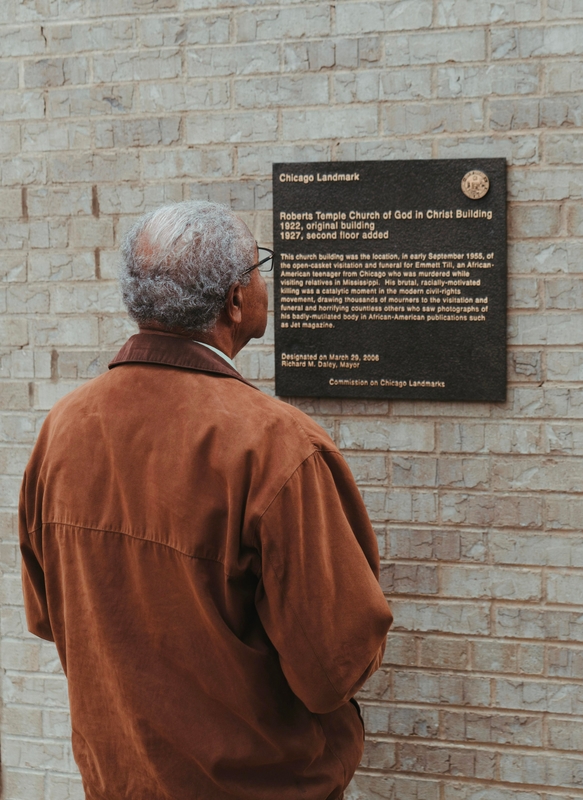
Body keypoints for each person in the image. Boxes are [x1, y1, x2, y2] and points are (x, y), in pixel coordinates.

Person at [20, 201, 393, 800]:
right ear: (236, 300)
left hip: (118, 779)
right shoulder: (276, 445)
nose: (264, 280)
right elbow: (333, 669)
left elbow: (48, 617)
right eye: (259, 267)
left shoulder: (64, 428)